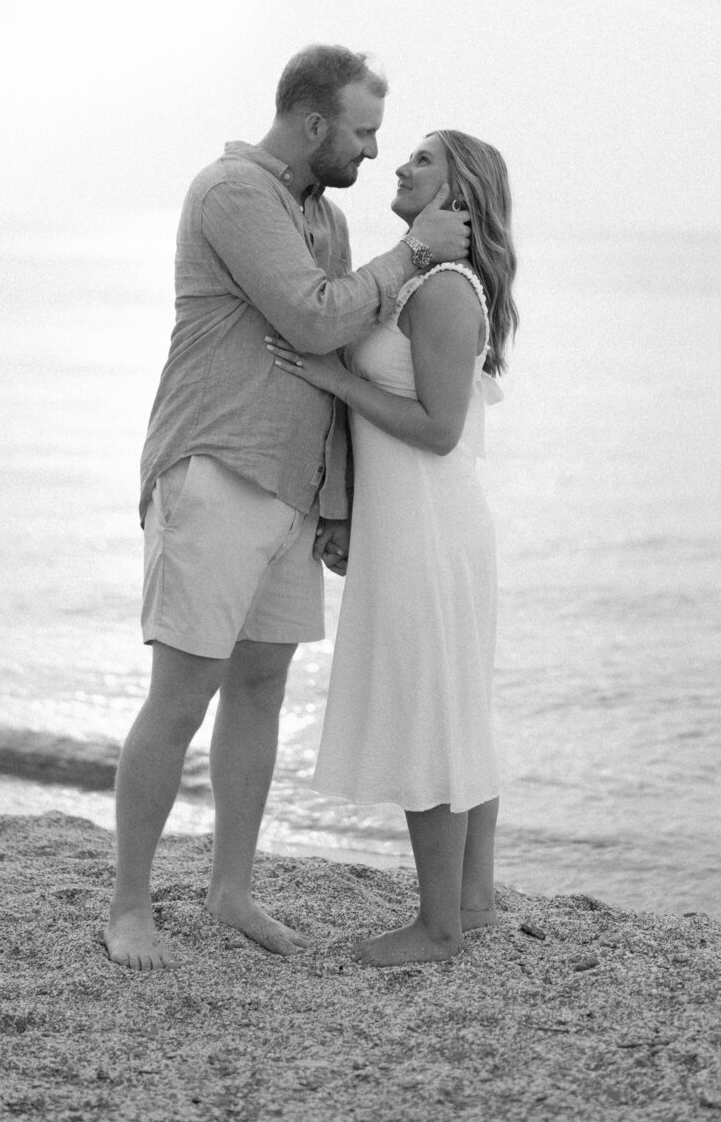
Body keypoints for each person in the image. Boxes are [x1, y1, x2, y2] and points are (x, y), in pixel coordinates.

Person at [104, 46, 472, 971]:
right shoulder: (233, 192)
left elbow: (337, 364)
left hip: (294, 491)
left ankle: (231, 891)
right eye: (361, 132)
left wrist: (338, 502)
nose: (372, 150)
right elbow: (313, 317)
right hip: (217, 467)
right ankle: (129, 905)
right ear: (314, 125)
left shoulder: (330, 218)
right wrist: (413, 254)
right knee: (181, 694)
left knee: (261, 687)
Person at [269, 128, 517, 965]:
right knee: (452, 706)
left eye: (421, 160)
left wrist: (337, 379)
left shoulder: (445, 291)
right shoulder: (423, 274)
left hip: (431, 528)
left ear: (460, 194)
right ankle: (472, 903)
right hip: (416, 522)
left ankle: (439, 926)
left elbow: (440, 430)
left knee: (428, 710)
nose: (400, 167)